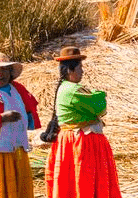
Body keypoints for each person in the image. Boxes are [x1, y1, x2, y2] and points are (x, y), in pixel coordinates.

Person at [41, 47, 120, 198]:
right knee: (83, 181)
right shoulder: (72, 90)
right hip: (80, 143)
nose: (82, 71)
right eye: (80, 67)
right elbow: (100, 107)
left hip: (78, 140)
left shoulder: (66, 87)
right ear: (70, 70)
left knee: (77, 181)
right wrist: (100, 95)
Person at [0, 54, 39, 198]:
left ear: (11, 72)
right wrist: (3, 118)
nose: (1, 74)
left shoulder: (17, 89)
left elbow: (30, 106)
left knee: (20, 188)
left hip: (18, 148)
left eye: (5, 69)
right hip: (1, 152)